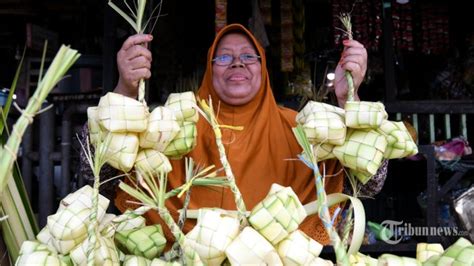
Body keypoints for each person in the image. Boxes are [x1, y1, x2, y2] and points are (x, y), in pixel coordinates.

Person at [80, 23, 387, 245]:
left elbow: (371, 182)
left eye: (249, 56)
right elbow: (97, 176)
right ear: (210, 70)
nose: (237, 62)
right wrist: (126, 89)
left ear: (263, 68)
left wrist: (349, 101)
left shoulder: (301, 129)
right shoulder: (171, 127)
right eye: (224, 56)